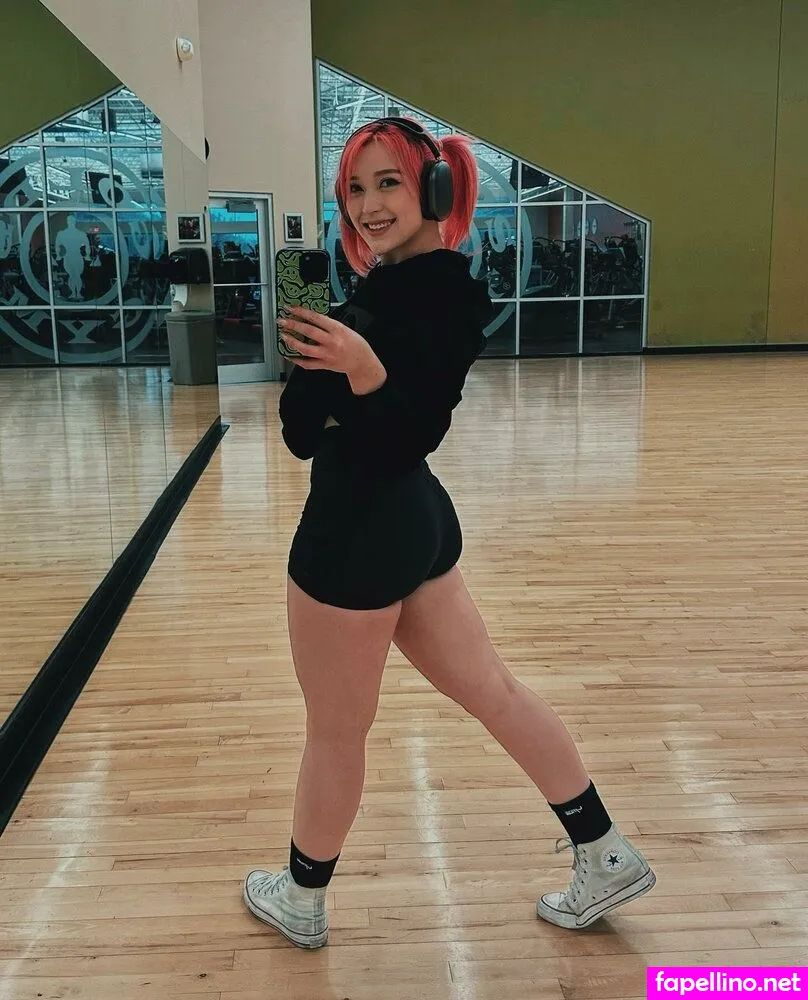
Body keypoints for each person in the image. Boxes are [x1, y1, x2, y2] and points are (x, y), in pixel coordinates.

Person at [242, 117, 655, 949]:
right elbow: (298, 430)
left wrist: (360, 373)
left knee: (335, 732)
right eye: (355, 189)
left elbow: (401, 434)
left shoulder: (427, 298)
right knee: (493, 690)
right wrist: (330, 372)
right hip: (413, 526)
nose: (368, 206)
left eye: (388, 183)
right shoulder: (386, 292)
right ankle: (605, 851)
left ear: (433, 188)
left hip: (357, 535)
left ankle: (300, 897)